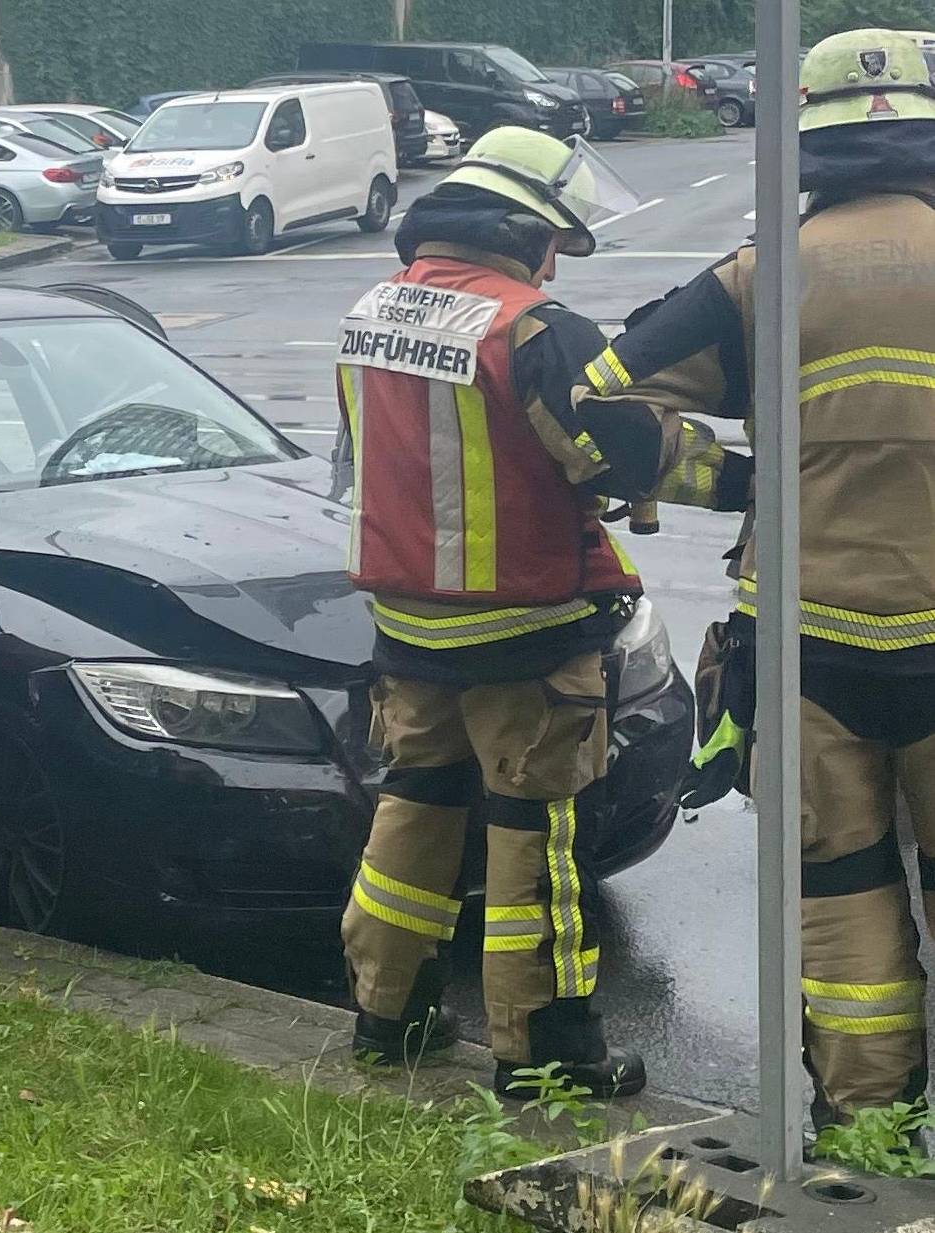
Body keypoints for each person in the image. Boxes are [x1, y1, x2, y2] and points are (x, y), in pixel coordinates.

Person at [334, 126, 739, 1100]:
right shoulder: (531, 329)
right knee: (536, 843)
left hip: (408, 627)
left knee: (412, 814)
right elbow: (629, 452)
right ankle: (546, 1051)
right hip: (523, 634)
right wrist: (748, 484)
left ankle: (386, 1015)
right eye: (553, 241)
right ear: (518, 229)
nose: (553, 264)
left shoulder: (370, 311)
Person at [587, 26, 935, 1128]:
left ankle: (867, 1123)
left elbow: (599, 403)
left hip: (804, 643)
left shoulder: (755, 276)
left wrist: (740, 481)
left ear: (802, 144)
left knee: (838, 889)